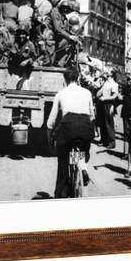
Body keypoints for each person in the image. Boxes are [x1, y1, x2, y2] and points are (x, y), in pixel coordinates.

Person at [47, 68, 95, 198]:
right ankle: (82, 167)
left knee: (63, 162)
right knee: (81, 151)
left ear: (65, 80)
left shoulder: (61, 93)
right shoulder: (87, 92)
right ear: (78, 78)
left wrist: (50, 136)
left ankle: (60, 194)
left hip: (68, 127)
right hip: (85, 127)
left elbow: (51, 120)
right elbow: (92, 116)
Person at [51, 0, 81, 67]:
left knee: (73, 43)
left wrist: (73, 35)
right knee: (67, 41)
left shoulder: (63, 15)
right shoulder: (55, 13)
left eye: (67, 9)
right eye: (64, 8)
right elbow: (57, 28)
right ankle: (59, 62)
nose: (65, 10)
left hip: (59, 37)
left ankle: (62, 62)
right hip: (53, 36)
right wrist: (69, 37)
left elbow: (66, 28)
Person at [96, 69, 119, 148]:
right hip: (103, 104)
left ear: (112, 74)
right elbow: (100, 92)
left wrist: (105, 98)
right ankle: (104, 140)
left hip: (109, 104)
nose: (106, 71)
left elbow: (114, 96)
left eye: (109, 71)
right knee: (103, 123)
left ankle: (111, 142)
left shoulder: (114, 84)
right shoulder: (106, 82)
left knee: (109, 123)